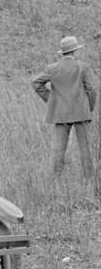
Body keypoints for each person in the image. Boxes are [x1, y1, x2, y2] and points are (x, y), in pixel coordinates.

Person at [32, 36, 96, 176]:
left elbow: (36, 83)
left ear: (63, 53)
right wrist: (89, 107)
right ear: (74, 52)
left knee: (59, 148)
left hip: (60, 113)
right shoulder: (82, 66)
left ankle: (57, 178)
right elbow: (91, 89)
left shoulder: (53, 68)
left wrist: (50, 99)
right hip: (81, 112)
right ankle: (89, 178)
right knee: (85, 148)